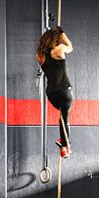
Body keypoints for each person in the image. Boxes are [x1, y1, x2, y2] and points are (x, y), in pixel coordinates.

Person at [36, 26, 74, 158]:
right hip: (64, 91)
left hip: (51, 94)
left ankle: (63, 142)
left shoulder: (39, 56)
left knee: (62, 119)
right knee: (65, 119)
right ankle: (65, 146)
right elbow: (70, 46)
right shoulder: (59, 50)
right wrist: (62, 33)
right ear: (55, 40)